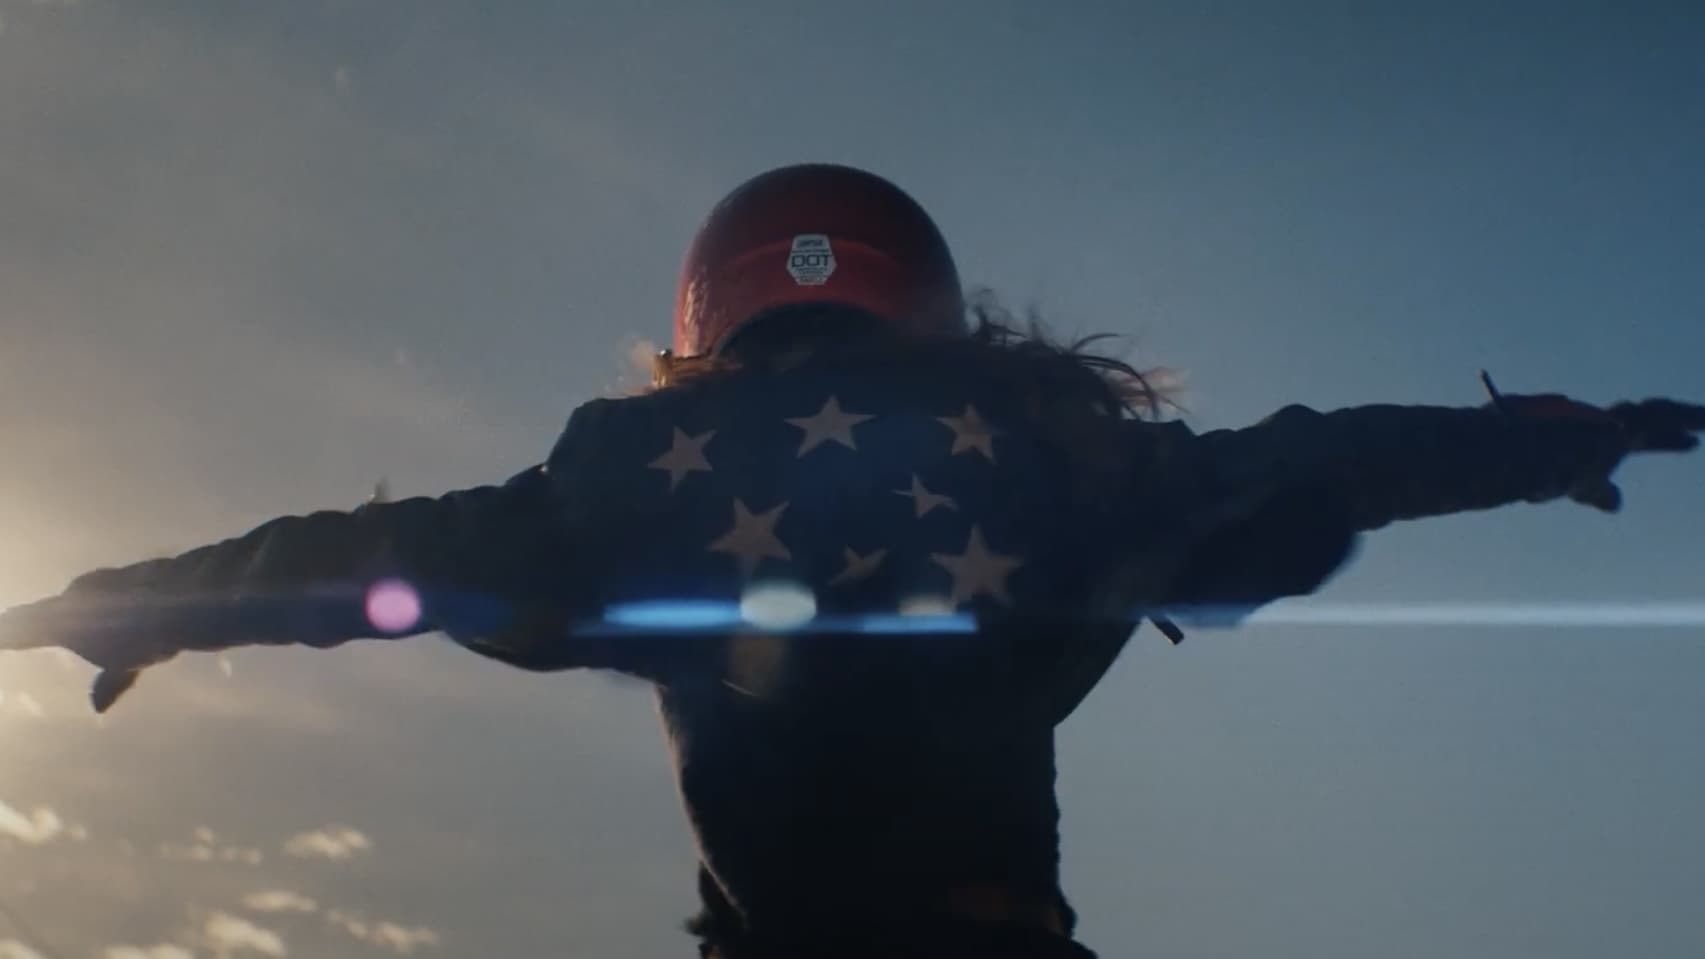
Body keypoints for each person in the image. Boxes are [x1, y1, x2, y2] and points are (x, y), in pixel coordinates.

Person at [3, 164, 1702, 959]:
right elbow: (1328, 454)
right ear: (931, 298)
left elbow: (364, 555)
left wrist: (136, 606)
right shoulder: (1051, 448)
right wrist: (1563, 439)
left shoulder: (631, 476)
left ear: (702, 311)